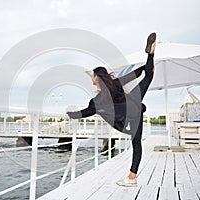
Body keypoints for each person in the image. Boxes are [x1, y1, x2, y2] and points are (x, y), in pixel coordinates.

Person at [67, 32, 156, 187]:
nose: (92, 79)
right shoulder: (116, 83)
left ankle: (131, 178)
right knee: (149, 77)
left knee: (135, 143)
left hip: (128, 119)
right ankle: (151, 54)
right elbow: (133, 75)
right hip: (135, 106)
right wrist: (145, 67)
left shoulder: (96, 102)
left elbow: (84, 113)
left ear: (96, 77)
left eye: (93, 76)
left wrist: (70, 114)